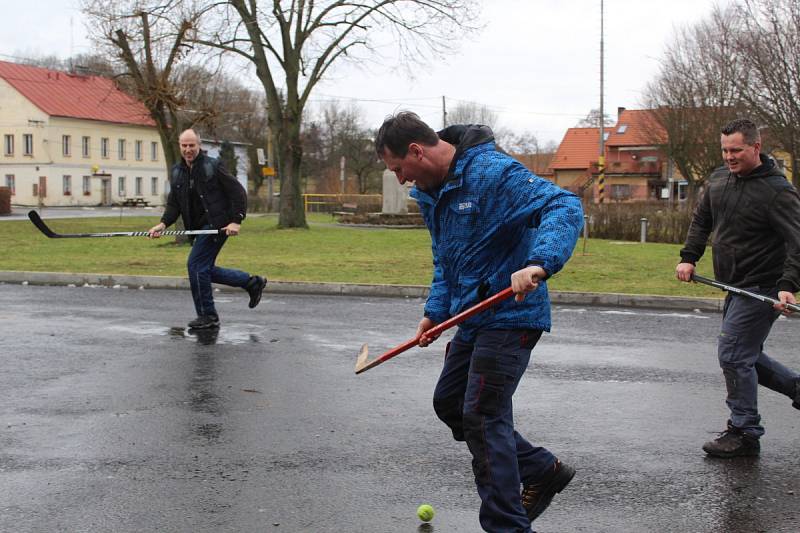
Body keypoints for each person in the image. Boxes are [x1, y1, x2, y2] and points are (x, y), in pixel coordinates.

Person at [375, 111, 583, 532]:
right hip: (473, 318)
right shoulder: (432, 192)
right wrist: (436, 311)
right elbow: (445, 258)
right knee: (450, 403)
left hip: (512, 313)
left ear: (417, 151)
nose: (400, 180)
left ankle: (506, 526)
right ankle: (541, 469)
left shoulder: (492, 172)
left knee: (484, 415)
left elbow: (564, 205)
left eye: (399, 169)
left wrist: (539, 263)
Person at [676, 118, 800, 458]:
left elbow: (797, 242)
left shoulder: (778, 191)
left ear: (755, 147)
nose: (729, 157)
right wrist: (689, 257)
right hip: (735, 285)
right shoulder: (719, 181)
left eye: (736, 150)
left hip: (763, 288)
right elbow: (702, 220)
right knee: (745, 356)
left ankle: (745, 432)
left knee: (732, 355)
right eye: (724, 150)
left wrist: (788, 286)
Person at [148, 129, 267, 329]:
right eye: (184, 145)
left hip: (217, 225)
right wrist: (162, 224)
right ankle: (251, 282)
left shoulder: (212, 166)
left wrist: (236, 220)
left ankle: (208, 316)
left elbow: (238, 192)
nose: (188, 149)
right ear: (179, 146)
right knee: (203, 269)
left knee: (195, 265)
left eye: (191, 145)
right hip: (198, 229)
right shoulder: (177, 171)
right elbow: (174, 204)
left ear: (199, 145)